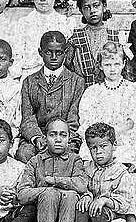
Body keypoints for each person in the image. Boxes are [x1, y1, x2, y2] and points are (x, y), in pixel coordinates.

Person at [18, 118, 88, 222]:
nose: (58, 139)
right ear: (45, 138)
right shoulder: (35, 162)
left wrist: (57, 181)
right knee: (49, 194)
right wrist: (46, 190)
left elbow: (82, 184)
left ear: (69, 138)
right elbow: (22, 194)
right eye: (53, 134)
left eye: (62, 135)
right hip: (42, 214)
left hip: (68, 213)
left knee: (71, 195)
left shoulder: (75, 160)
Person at [74, 123, 132, 222]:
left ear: (113, 146)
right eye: (93, 148)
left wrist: (105, 200)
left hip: (111, 219)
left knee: (99, 210)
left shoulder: (120, 172)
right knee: (81, 206)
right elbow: (81, 186)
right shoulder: (86, 167)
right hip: (88, 217)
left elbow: (125, 203)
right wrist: (86, 195)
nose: (98, 152)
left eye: (103, 146)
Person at [17, 31, 85, 162]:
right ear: (40, 52)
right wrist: (37, 137)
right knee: (24, 154)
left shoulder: (76, 81)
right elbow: (27, 118)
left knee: (67, 157)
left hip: (65, 137)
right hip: (39, 135)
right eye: (48, 52)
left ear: (65, 53)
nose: (54, 57)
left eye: (59, 53)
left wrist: (59, 138)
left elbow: (74, 119)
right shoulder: (29, 82)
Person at [77, 41, 136, 163]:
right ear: (100, 65)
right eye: (107, 65)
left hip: (124, 140)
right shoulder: (93, 92)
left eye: (116, 64)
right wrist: (102, 137)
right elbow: (87, 121)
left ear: (123, 64)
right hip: (99, 140)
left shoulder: (133, 90)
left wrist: (116, 133)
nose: (112, 69)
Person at [14, 0, 77, 79]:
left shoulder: (66, 23)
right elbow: (17, 57)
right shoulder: (24, 23)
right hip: (30, 77)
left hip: (59, 78)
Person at [65, 0, 120, 87]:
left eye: (96, 6)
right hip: (83, 92)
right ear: (81, 11)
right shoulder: (75, 39)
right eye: (86, 7)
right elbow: (68, 68)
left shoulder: (115, 36)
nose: (92, 11)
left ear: (104, 6)